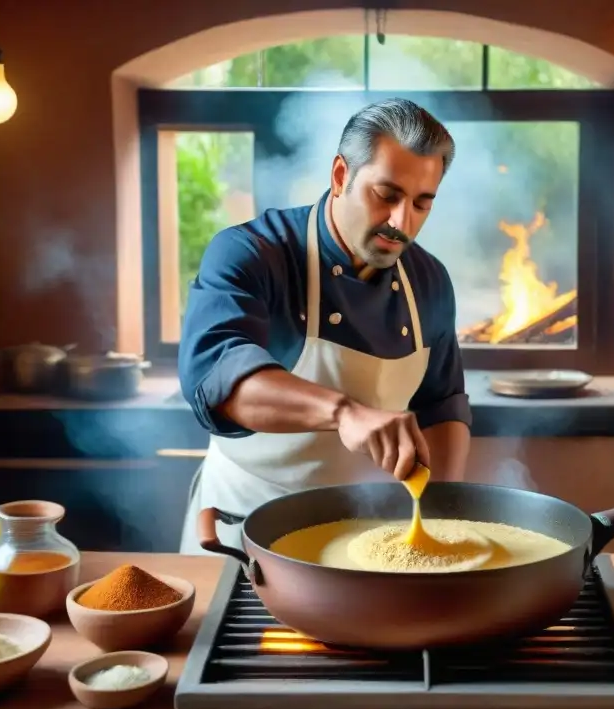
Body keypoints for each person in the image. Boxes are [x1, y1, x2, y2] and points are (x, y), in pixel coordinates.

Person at [176, 97, 472, 555]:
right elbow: (219, 381)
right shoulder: (251, 254)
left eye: (421, 203)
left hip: (369, 540)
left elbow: (442, 406)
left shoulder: (429, 280)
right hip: (247, 534)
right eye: (387, 195)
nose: (402, 222)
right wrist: (344, 412)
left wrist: (439, 508)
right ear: (340, 176)